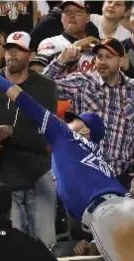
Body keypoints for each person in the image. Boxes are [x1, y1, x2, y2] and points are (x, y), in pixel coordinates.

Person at [0, 61, 134, 261]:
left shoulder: (64, 136)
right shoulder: (101, 162)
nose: (67, 121)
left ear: (86, 129)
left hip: (108, 213)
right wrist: (93, 244)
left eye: (74, 120)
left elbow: (25, 101)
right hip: (122, 206)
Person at [0, 32, 57, 248]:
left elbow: (48, 137)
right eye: (8, 47)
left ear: (31, 55)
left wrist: (12, 132)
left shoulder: (45, 87)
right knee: (12, 248)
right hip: (3, 176)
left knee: (45, 245)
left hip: (38, 174)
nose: (11, 52)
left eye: (18, 48)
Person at [42, 38, 134, 190]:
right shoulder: (83, 81)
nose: (102, 61)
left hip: (120, 177)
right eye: (99, 56)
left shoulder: (132, 88)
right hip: (82, 171)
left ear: (121, 61)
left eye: (108, 57)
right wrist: (61, 60)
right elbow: (41, 87)